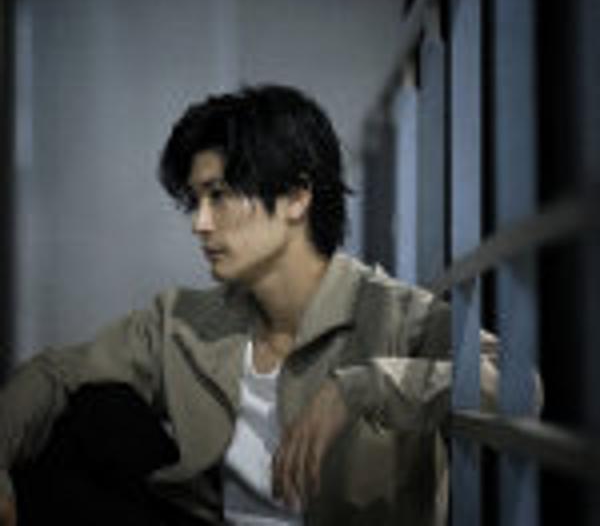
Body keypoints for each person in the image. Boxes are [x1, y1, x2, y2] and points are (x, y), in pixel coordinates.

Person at [0, 84, 502, 526]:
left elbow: (512, 384)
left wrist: (360, 388)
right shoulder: (183, 320)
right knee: (90, 412)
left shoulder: (393, 312)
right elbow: (56, 373)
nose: (200, 223)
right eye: (195, 201)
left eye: (218, 196)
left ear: (296, 197)